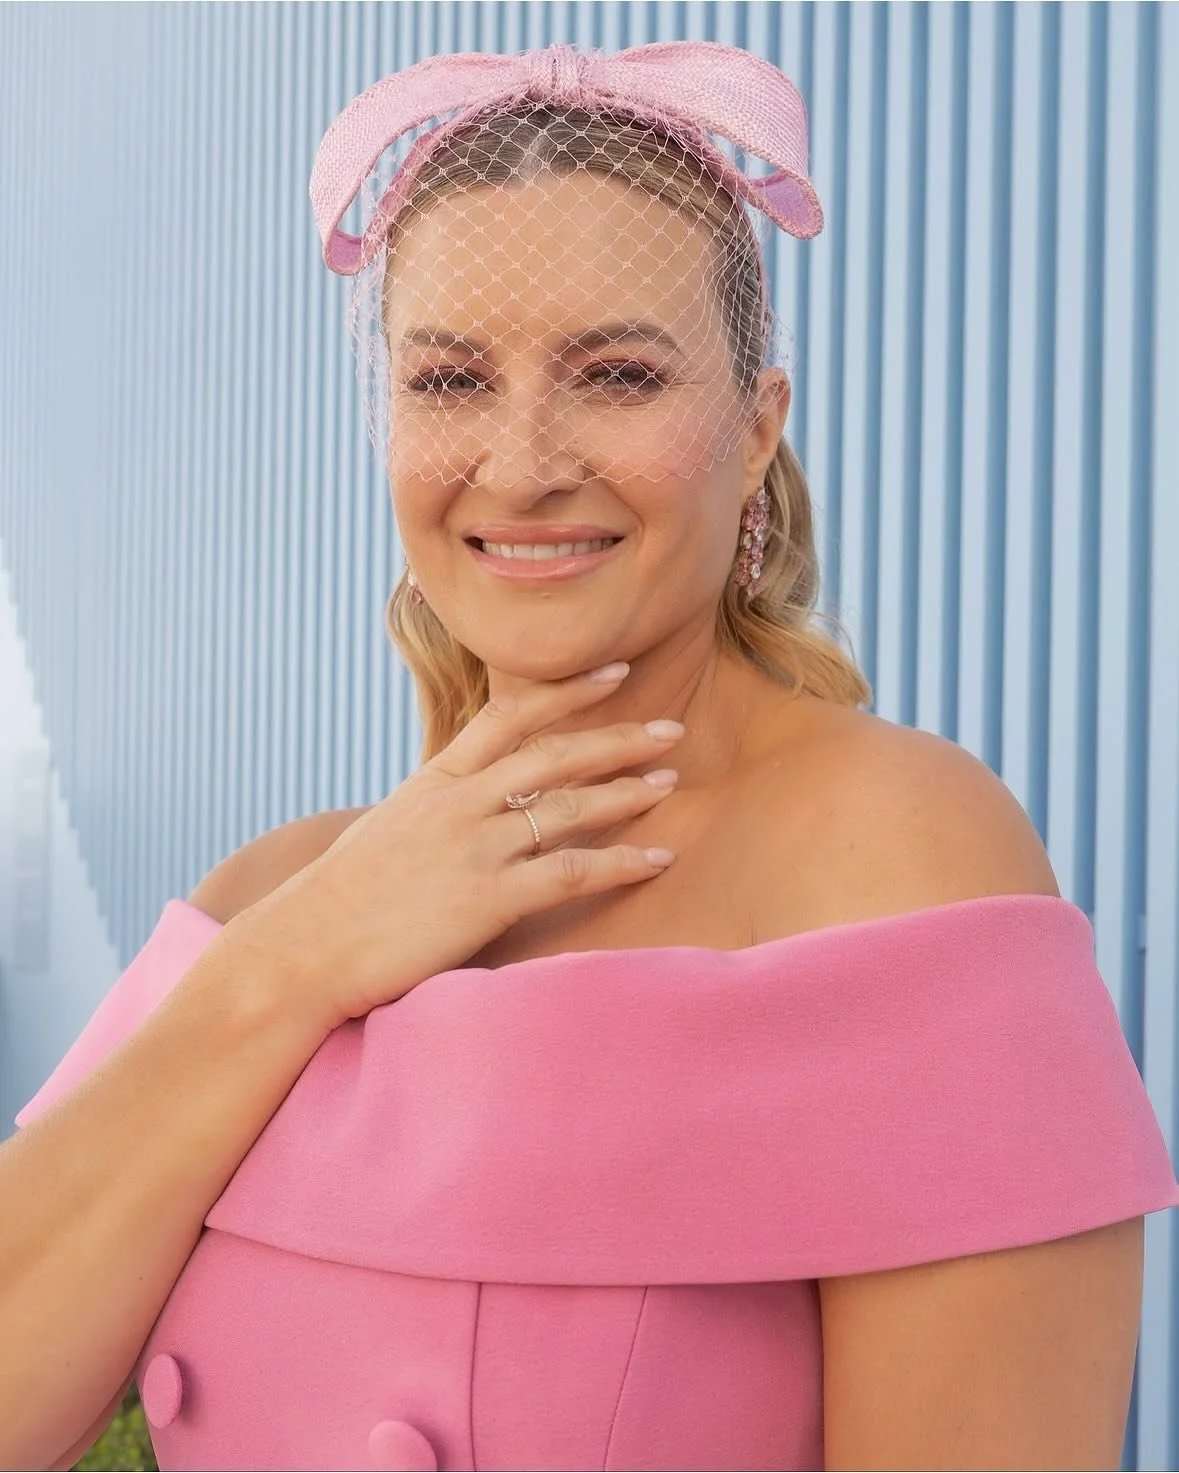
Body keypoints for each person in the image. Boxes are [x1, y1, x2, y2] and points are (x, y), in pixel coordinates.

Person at [2, 38, 1176, 1473]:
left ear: (754, 430)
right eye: (449, 382)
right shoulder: (273, 891)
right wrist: (297, 962)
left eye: (615, 375)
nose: (521, 461)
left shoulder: (891, 849)